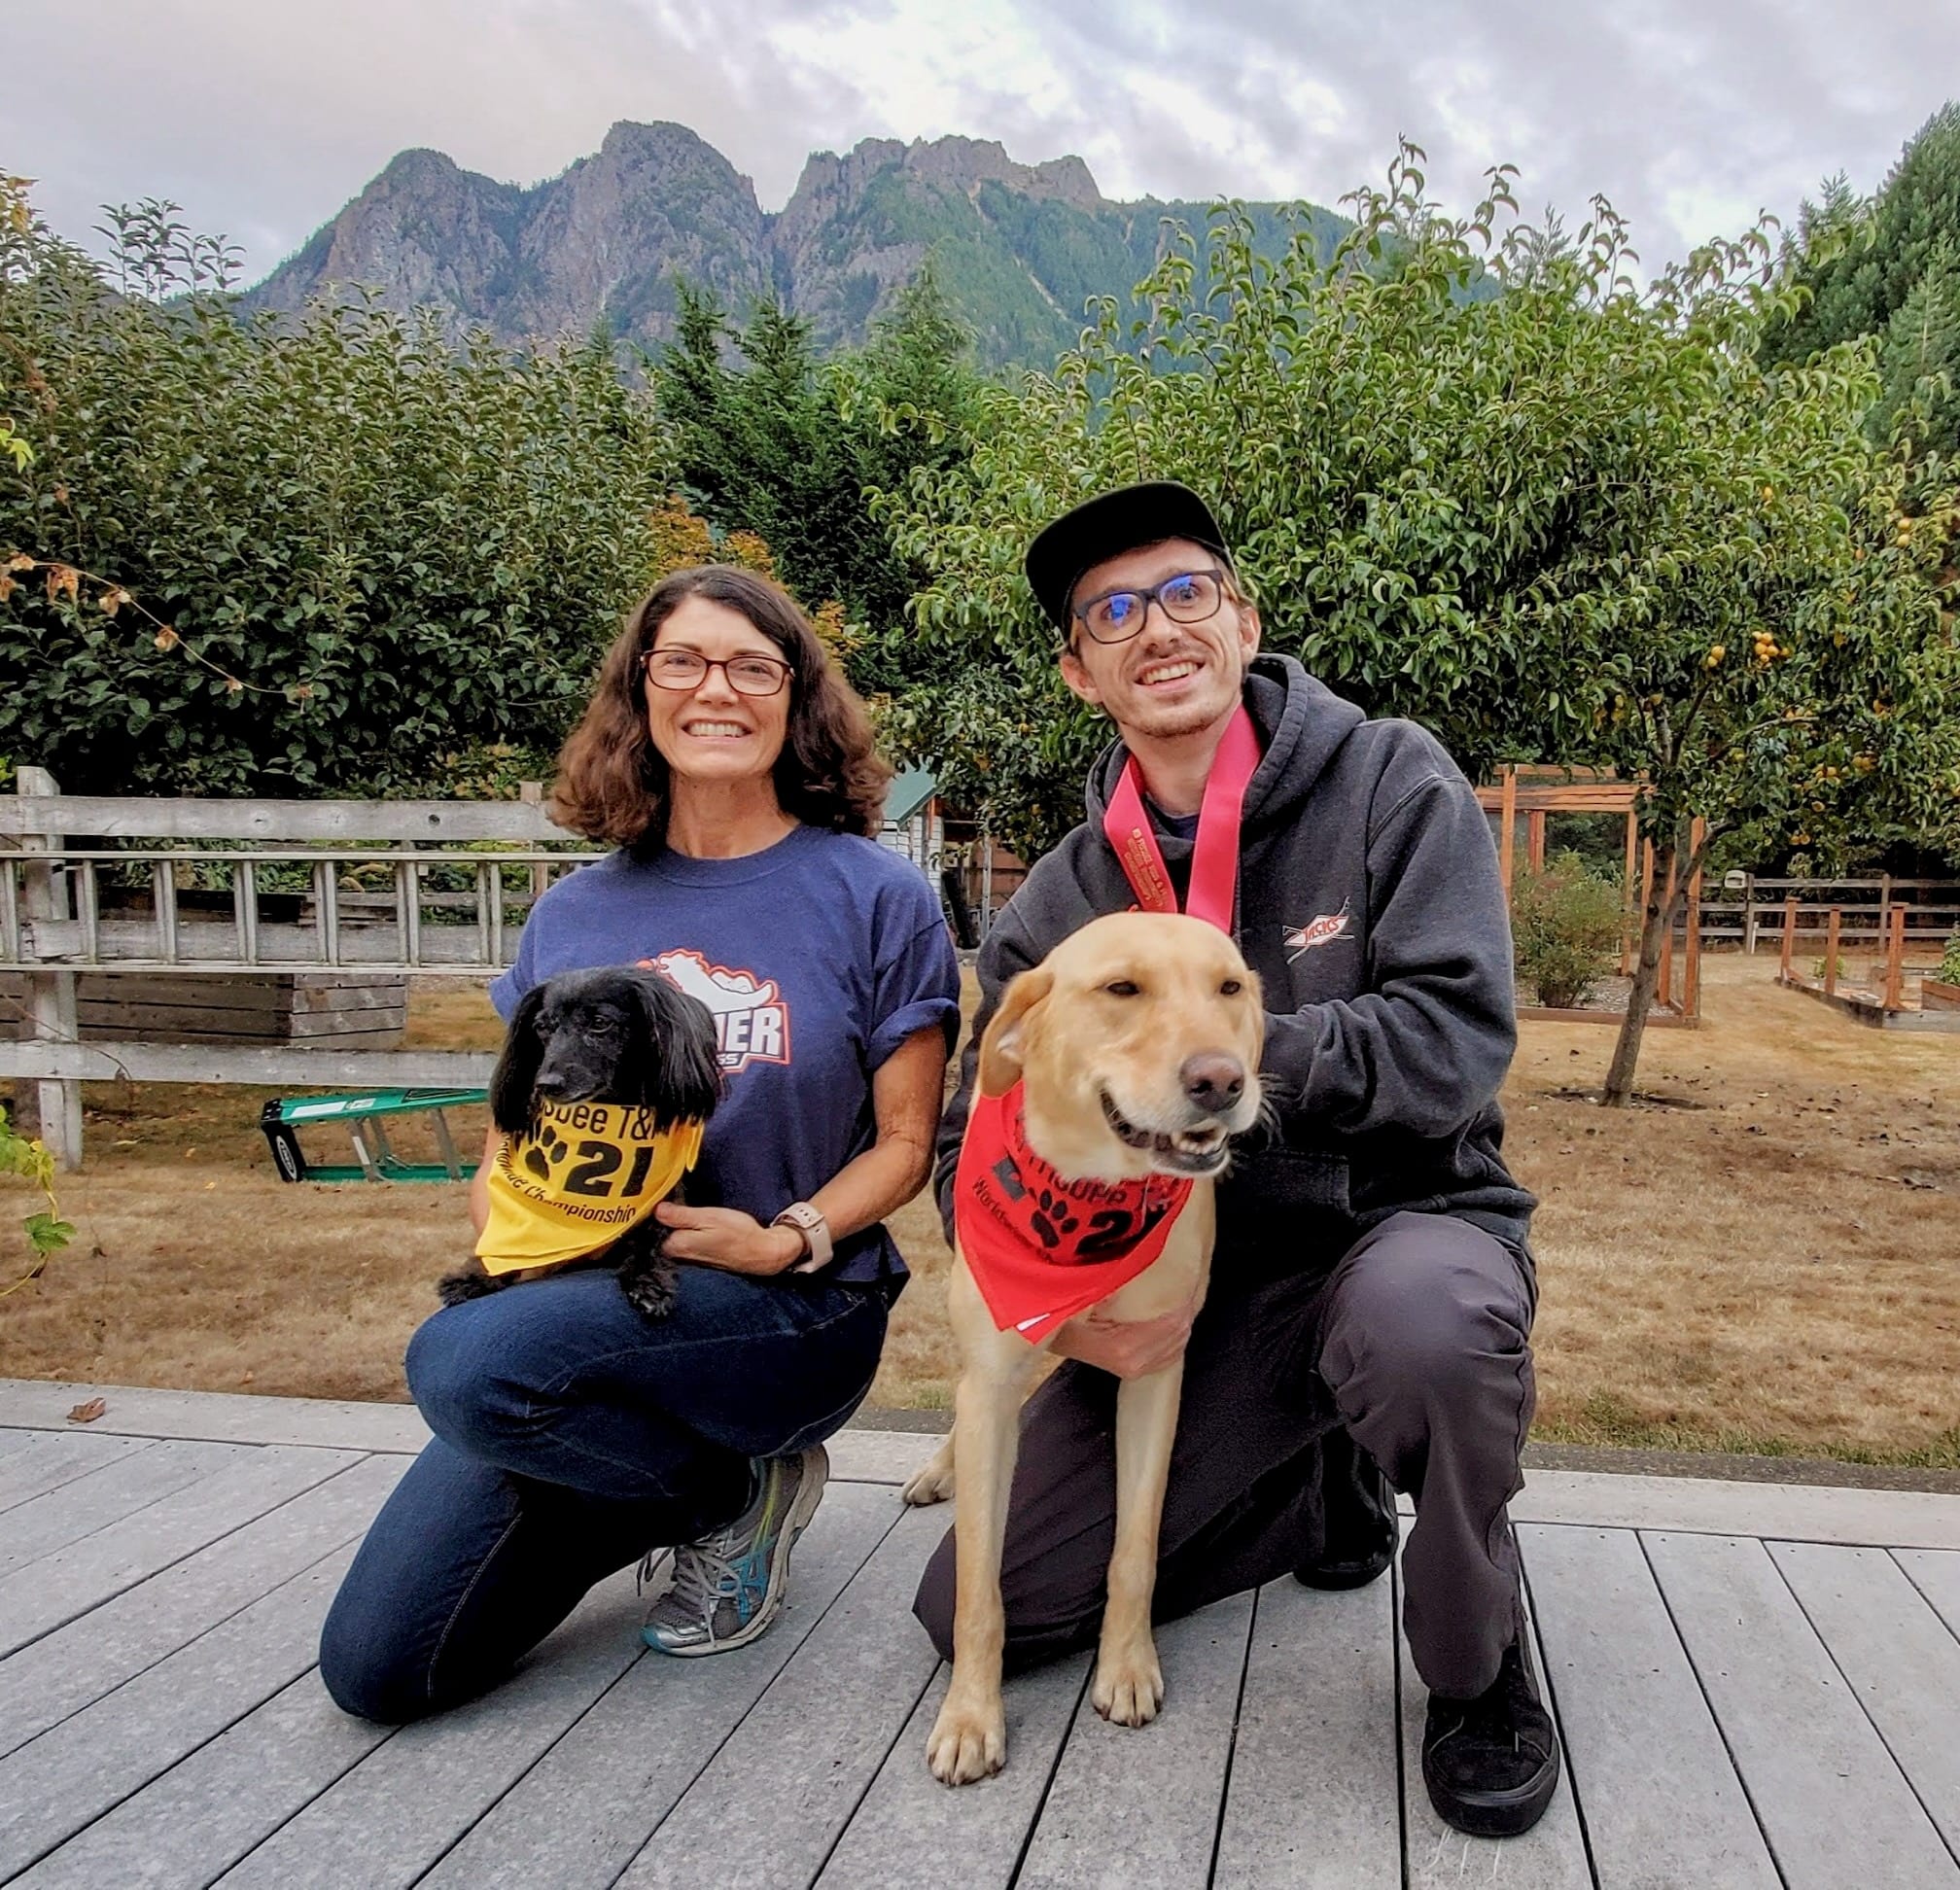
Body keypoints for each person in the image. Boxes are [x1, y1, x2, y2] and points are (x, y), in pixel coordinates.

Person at [911, 484, 1555, 1838]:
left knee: (1427, 1331)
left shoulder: (1390, 779)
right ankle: (1307, 1473)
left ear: (1243, 617)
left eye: (1188, 589)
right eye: (1114, 609)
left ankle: (1479, 1661)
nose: (1160, 626)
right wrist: (1055, 1309)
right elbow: (981, 1124)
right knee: (983, 1602)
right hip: (1178, 1293)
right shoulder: (1060, 902)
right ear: (1079, 669)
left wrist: (1235, 1062)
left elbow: (1454, 1041)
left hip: (1397, 1223)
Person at [321, 565, 960, 1721]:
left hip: (787, 1305)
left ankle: (728, 1469)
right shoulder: (573, 913)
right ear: (639, 690)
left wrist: (788, 1237)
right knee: (383, 1670)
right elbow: (507, 1146)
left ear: (795, 698)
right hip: (587, 1301)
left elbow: (908, 1146)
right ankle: (705, 1492)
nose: (717, 689)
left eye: (752, 666)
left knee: (459, 1365)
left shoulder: (878, 894)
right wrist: (532, 1243)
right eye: (685, 662)